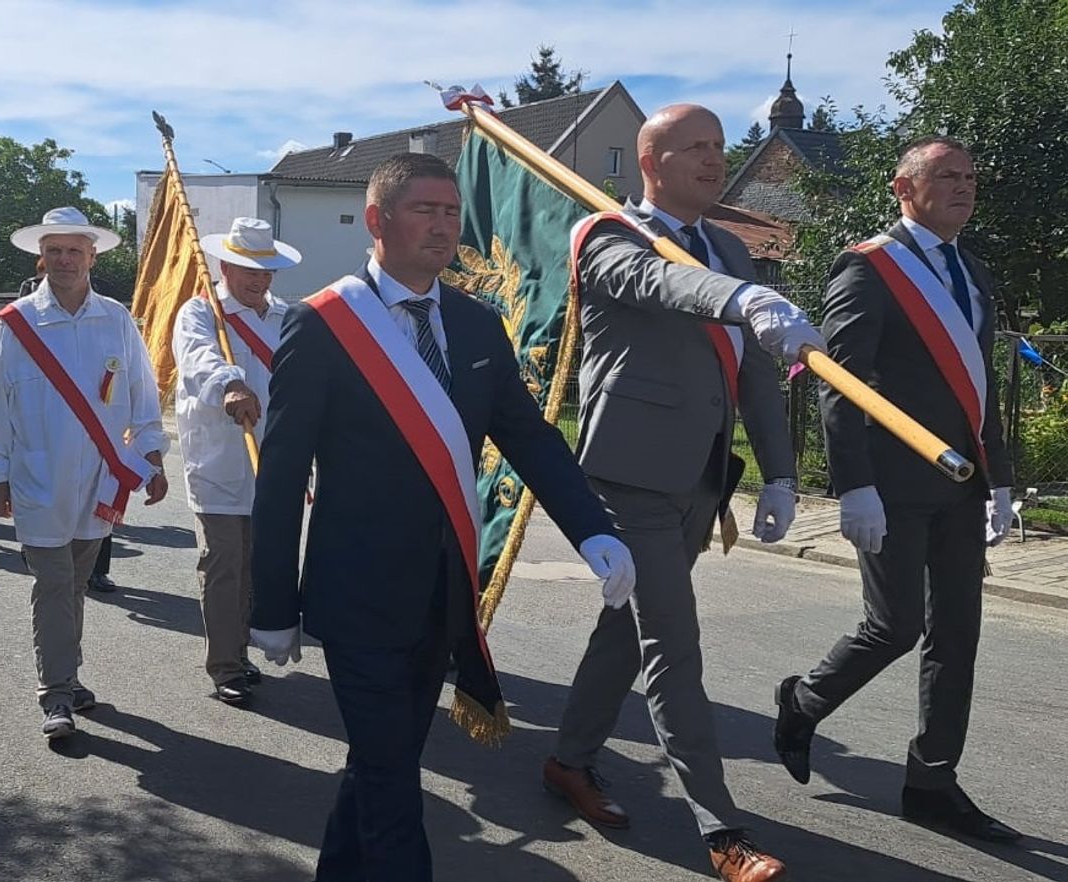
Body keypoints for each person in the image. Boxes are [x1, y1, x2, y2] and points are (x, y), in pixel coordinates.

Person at [249, 153, 635, 881]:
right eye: (424, 210)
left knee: (384, 760)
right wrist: (271, 605)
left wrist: (593, 528)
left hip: (444, 591)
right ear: (377, 219)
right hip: (358, 597)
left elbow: (529, 438)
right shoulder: (322, 324)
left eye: (451, 212)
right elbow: (282, 474)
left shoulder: (477, 323)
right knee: (392, 777)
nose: (443, 225)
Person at [544, 104, 824, 882]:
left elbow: (755, 368)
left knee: (626, 632)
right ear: (650, 161)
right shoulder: (608, 236)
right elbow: (661, 283)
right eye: (694, 146)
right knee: (673, 643)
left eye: (719, 146)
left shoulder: (727, 246)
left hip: (699, 479)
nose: (713, 158)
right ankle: (721, 830)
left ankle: (568, 759)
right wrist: (742, 298)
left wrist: (780, 472)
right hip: (627, 477)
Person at [773, 137, 1020, 843]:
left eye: (970, 176)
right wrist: (854, 486)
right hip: (891, 484)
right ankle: (804, 701)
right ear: (904, 188)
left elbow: (980, 387)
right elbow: (840, 385)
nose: (964, 187)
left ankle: (932, 782)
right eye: (947, 176)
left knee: (958, 635)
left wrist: (1001, 480)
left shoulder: (972, 270)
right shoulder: (869, 267)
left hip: (961, 485)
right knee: (895, 627)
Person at [0, 206, 168, 740]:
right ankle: (56, 693)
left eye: (74, 250)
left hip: (99, 479)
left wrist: (152, 455)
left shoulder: (116, 319)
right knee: (54, 583)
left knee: (76, 584)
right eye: (54, 251)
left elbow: (142, 392)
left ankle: (67, 674)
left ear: (92, 256)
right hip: (38, 477)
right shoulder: (17, 323)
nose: (64, 260)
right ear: (41, 258)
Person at [173, 217, 300, 705]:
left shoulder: (287, 317)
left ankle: (243, 648)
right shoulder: (201, 312)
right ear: (225, 266)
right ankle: (225, 663)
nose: (259, 279)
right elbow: (198, 358)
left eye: (266, 271)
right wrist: (229, 382)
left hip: (274, 461)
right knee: (225, 563)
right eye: (249, 269)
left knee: (258, 564)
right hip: (220, 461)